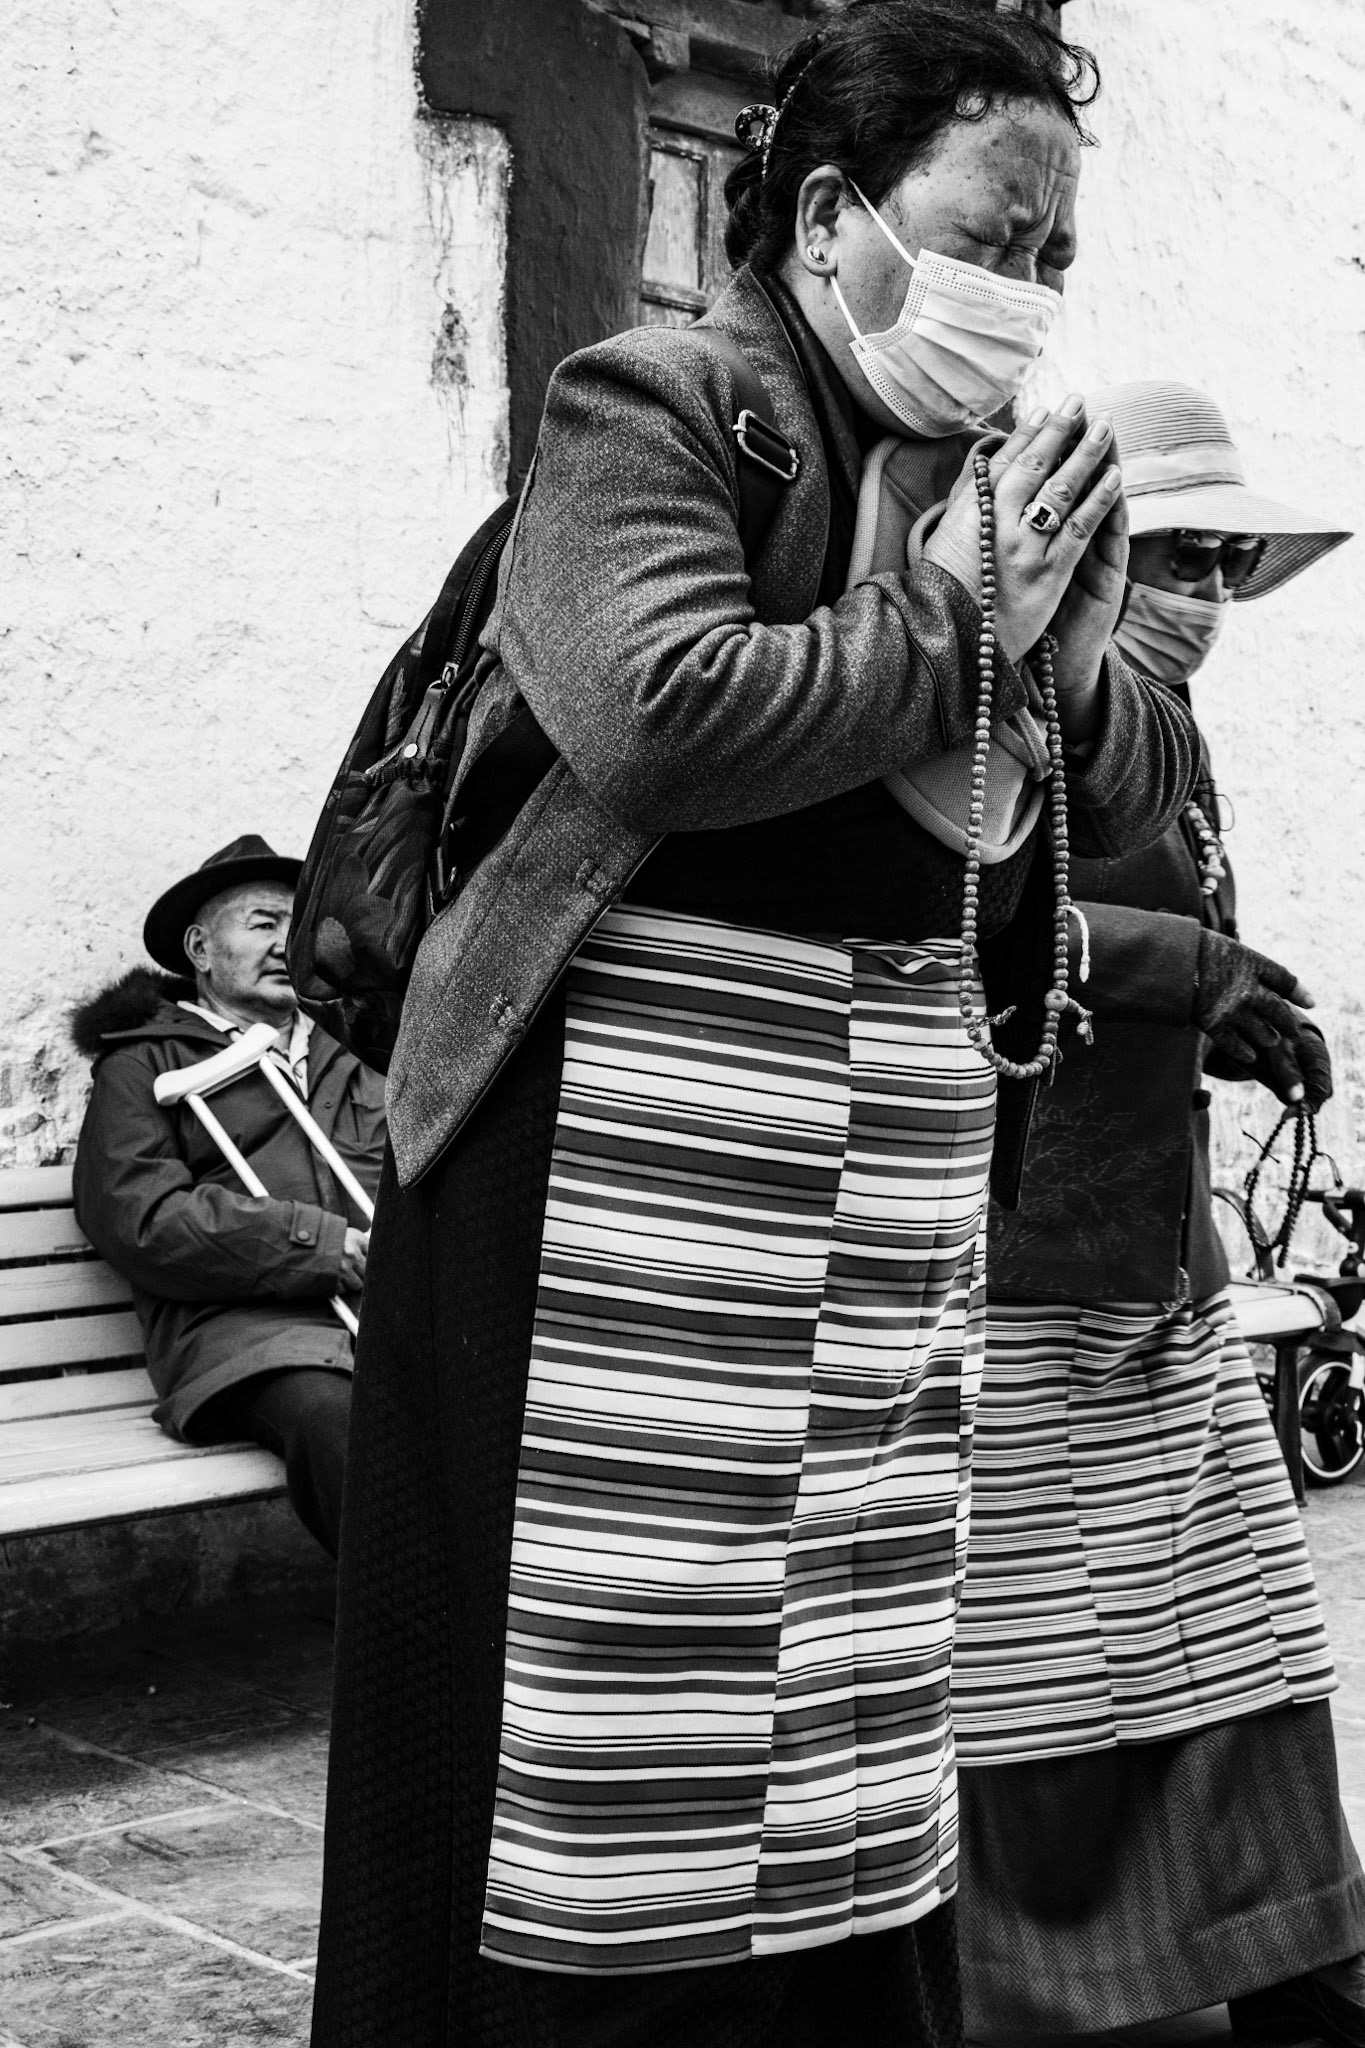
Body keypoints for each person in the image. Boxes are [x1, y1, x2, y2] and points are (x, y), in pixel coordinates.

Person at [311, 9, 1200, 2045]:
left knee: (839, 1699)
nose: (1028, 297)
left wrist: (1064, 657)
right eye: (998, 235)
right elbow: (658, 708)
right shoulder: (659, 402)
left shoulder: (997, 474)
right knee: (579, 1715)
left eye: (1059, 261)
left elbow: (1126, 776)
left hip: (863, 1200)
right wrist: (964, 623)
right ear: (829, 215)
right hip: (600, 1192)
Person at [951, 381, 1365, 2046]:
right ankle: (1054, 1978)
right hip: (1018, 1254)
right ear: (1099, 561)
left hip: (1151, 1238)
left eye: (1225, 563)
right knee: (1040, 1654)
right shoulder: (1003, 713)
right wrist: (1200, 974)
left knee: (1241, 1614)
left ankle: (1287, 1952)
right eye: (1172, 557)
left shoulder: (1169, 738)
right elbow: (972, 931)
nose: (1199, 592)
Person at [71, 835, 385, 1558]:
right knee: (337, 1417)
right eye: (261, 923)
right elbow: (138, 1217)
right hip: (242, 1337)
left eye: (296, 925)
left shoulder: (356, 1053)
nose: (285, 944)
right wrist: (320, 1246)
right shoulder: (143, 1062)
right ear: (201, 950)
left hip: (381, 1317)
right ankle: (408, 1644)